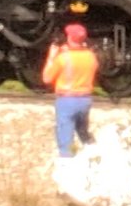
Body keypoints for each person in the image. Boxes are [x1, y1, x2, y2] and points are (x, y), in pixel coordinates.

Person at [41, 23, 99, 158]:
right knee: (83, 132)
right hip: (85, 100)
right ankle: (95, 155)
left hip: (67, 100)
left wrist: (51, 57)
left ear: (69, 38)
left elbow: (46, 78)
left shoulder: (63, 58)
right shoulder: (91, 56)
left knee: (65, 137)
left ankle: (66, 163)